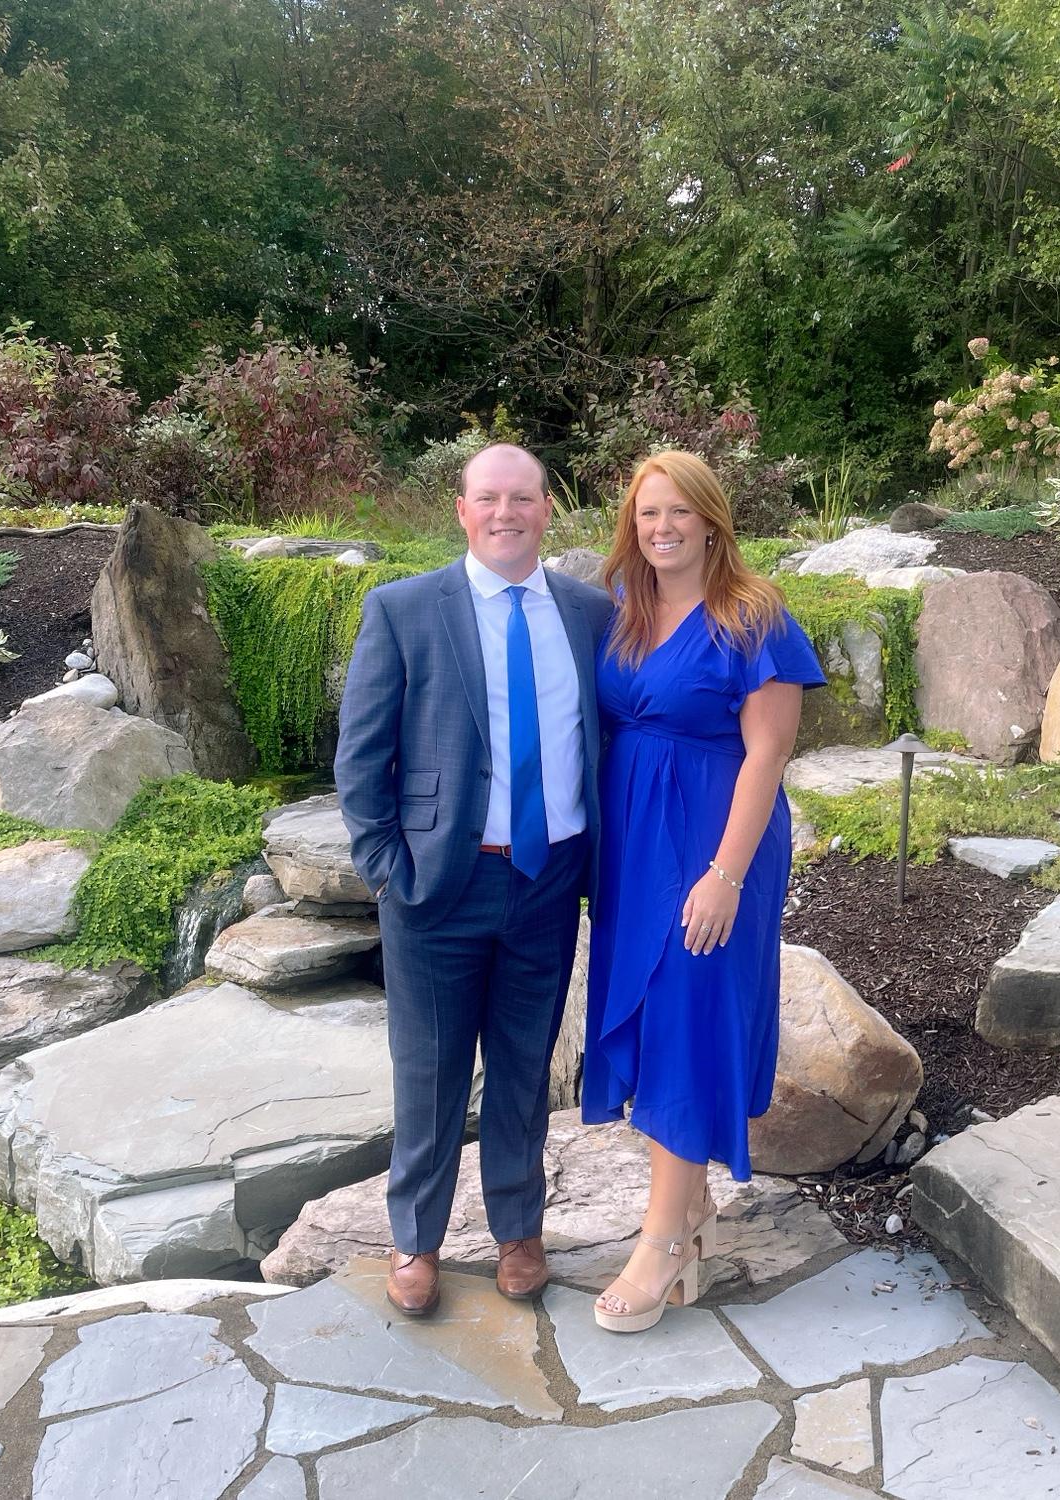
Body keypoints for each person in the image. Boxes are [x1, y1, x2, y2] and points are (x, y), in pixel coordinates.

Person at [335, 443, 613, 1318]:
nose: (506, 513)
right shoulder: (403, 609)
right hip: (437, 886)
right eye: (488, 498)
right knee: (429, 1072)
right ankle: (416, 1240)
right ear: (461, 510)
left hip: (549, 879)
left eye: (522, 498)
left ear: (547, 509)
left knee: (525, 1068)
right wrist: (387, 871)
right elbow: (360, 758)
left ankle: (518, 1232)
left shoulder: (590, 613)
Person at [582, 449, 825, 1333]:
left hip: (718, 842)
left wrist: (724, 876)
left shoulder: (752, 614)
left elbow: (769, 752)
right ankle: (688, 1209)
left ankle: (661, 1243)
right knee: (652, 1017)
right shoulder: (622, 607)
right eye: (649, 513)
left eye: (680, 511)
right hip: (634, 844)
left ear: (712, 521)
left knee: (688, 1013)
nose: (663, 527)